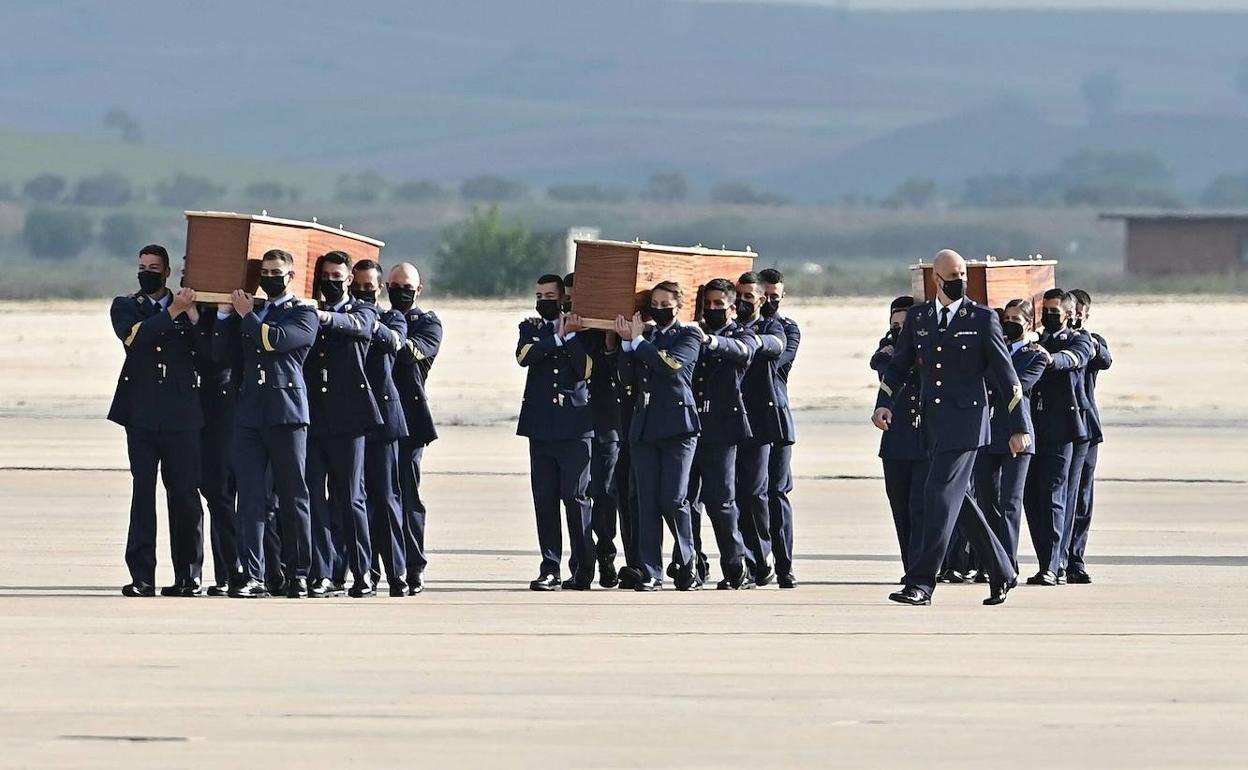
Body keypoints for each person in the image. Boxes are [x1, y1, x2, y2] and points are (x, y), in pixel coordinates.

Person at [872, 249, 1026, 606]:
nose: (959, 283)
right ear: (936, 281)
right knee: (961, 503)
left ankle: (921, 583)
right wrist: (883, 403)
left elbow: (1007, 378)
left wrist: (1018, 426)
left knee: (938, 499)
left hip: (968, 426)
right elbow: (899, 365)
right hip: (932, 426)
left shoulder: (983, 318)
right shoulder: (920, 318)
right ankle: (1002, 570)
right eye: (951, 278)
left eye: (962, 276)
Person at [217, 249, 319, 598]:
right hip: (249, 414)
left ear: (290, 277)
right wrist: (222, 315)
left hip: (286, 414)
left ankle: (300, 572)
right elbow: (223, 354)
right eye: (265, 271)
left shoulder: (304, 314)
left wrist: (245, 316)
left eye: (277, 271)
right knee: (249, 498)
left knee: (293, 497)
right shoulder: (253, 312)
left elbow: (273, 341)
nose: (270, 277)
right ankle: (254, 574)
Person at [108, 244, 206, 597]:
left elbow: (210, 352)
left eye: (153, 267)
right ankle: (142, 576)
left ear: (167, 272)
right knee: (142, 493)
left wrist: (192, 316)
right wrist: (173, 312)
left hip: (182, 415)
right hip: (142, 414)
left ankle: (188, 575)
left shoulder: (191, 307)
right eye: (142, 266)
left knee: (184, 496)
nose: (146, 271)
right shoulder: (126, 306)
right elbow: (135, 337)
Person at [615, 281, 703, 591]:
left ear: (679, 306)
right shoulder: (645, 337)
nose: (659, 308)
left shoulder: (690, 335)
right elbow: (626, 378)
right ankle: (650, 570)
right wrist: (626, 345)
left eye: (666, 303)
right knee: (646, 502)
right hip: (645, 425)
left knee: (674, 499)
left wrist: (637, 343)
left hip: (678, 426)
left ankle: (688, 559)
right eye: (655, 302)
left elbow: (671, 366)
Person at [304, 250, 381, 598]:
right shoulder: (308, 312)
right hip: (314, 416)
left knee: (351, 498)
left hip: (349, 418)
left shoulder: (360, 310)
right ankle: (323, 572)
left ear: (349, 280)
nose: (331, 282)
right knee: (315, 498)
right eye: (327, 277)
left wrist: (322, 316)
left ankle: (361, 571)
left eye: (338, 277)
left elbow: (360, 327)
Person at [517, 273, 595, 591]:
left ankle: (582, 565)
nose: (543, 302)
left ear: (564, 297)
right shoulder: (531, 328)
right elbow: (524, 356)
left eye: (550, 296)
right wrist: (559, 338)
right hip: (540, 426)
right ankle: (550, 566)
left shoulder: (585, 330)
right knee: (545, 499)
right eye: (539, 296)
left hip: (575, 428)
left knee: (576, 499)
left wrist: (573, 336)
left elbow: (587, 369)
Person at [686, 278, 756, 589]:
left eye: (719, 304)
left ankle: (734, 565)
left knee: (721, 501)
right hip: (688, 427)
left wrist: (710, 341)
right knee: (685, 500)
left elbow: (743, 352)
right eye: (708, 305)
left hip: (722, 429)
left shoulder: (741, 334)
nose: (713, 310)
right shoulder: (691, 334)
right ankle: (693, 564)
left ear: (732, 306)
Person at [1023, 289, 1093, 587]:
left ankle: (1055, 565)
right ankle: (1047, 561)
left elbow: (1073, 359)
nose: (1050, 316)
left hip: (1064, 430)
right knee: (1031, 499)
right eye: (1046, 310)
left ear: (1068, 314)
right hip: (1033, 428)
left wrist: (1049, 359)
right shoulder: (1034, 341)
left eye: (1055, 311)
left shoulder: (1080, 339)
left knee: (1055, 495)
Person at [973, 300, 1046, 579]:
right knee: (986, 499)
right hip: (989, 432)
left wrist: (997, 362)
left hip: (1018, 433)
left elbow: (1019, 385)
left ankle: (1009, 564)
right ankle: (992, 562)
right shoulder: (994, 350)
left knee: (1011, 502)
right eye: (1007, 317)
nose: (1010, 322)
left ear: (1029, 323)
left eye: (1016, 318)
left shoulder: (1035, 355)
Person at [353, 260, 411, 597]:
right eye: (358, 286)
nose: (364, 291)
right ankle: (365, 572)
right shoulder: (344, 320)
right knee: (355, 500)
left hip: (384, 419)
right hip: (351, 418)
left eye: (370, 285)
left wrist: (368, 321)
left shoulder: (391, 318)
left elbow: (395, 342)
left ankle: (396, 572)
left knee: (387, 499)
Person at [565, 272, 622, 588]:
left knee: (604, 495)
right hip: (575, 426)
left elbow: (613, 370)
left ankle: (607, 559)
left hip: (606, 424)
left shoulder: (605, 331)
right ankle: (581, 564)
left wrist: (612, 340)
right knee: (579, 496)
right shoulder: (568, 330)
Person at [389, 262, 442, 593]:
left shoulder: (428, 323)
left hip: (409, 421)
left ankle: (413, 565)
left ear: (418, 290)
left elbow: (408, 352)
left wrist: (386, 331)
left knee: (408, 496)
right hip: (374, 417)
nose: (400, 290)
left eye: (406, 286)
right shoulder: (378, 319)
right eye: (394, 285)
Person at [733, 272, 789, 586]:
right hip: (726, 421)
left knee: (755, 493)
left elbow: (777, 344)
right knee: (728, 496)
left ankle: (761, 558)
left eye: (748, 298)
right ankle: (742, 561)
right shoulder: (726, 329)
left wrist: (752, 341)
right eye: (737, 297)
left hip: (758, 424)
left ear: (762, 300)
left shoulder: (771, 326)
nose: (742, 303)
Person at [871, 295, 926, 575]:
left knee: (920, 508)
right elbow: (885, 367)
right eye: (894, 325)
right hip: (896, 440)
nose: (898, 330)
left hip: (926, 441)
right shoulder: (887, 352)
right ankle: (911, 567)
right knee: (901, 510)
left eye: (905, 325)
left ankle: (922, 567)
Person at [1066, 289, 1112, 583]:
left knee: (1082, 497)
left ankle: (1075, 559)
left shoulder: (1092, 341)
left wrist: (1084, 341)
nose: (1077, 318)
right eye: (1073, 312)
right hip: (1056, 428)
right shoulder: (1051, 340)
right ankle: (1056, 557)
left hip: (1086, 428)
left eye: (1081, 313)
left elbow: (1104, 359)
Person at [759, 267, 800, 588]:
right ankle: (757, 562)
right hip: (742, 418)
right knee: (749, 495)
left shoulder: (788, 329)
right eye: (765, 296)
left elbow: (776, 358)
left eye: (776, 297)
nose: (770, 301)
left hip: (776, 419)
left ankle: (785, 565)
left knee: (776, 493)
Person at [197, 300, 241, 595]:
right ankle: (228, 570)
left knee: (259, 498)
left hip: (237, 405)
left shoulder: (244, 309)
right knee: (218, 493)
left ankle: (255, 569)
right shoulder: (195, 309)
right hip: (209, 412)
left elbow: (220, 354)